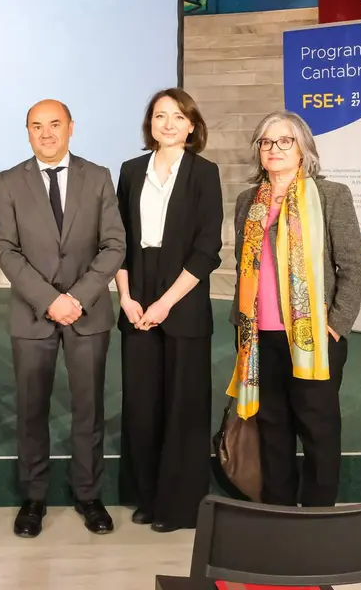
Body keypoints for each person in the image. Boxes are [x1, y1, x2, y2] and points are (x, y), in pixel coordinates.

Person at [0, 99, 126, 538]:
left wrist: (77, 298)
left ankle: (88, 495)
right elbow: (5, 249)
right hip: (33, 314)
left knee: (89, 410)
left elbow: (114, 246)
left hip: (88, 314)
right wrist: (50, 300)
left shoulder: (99, 176)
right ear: (27, 132)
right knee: (31, 410)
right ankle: (34, 498)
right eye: (36, 126)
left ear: (71, 127)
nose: (46, 133)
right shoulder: (10, 181)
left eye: (54, 124)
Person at [228, 111, 361, 507]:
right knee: (272, 430)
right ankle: (280, 515)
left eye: (283, 141)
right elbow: (245, 270)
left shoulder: (330, 196)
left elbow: (353, 266)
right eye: (266, 142)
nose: (273, 149)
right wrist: (243, 329)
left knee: (318, 430)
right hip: (260, 337)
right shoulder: (247, 202)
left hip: (314, 340)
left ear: (303, 148)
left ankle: (319, 519)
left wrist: (336, 326)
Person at [114, 88, 222, 533]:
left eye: (178, 116)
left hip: (183, 300)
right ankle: (146, 495)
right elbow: (117, 240)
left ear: (192, 125)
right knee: (142, 405)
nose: (169, 124)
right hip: (136, 295)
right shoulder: (131, 170)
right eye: (160, 116)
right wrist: (126, 296)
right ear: (150, 124)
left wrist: (164, 303)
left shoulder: (204, 172)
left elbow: (207, 250)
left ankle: (178, 505)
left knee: (183, 405)